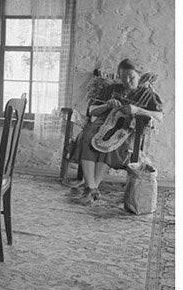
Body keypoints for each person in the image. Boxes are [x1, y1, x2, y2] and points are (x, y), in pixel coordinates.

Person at [70, 58, 163, 206]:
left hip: (128, 129)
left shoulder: (148, 94)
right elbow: (92, 110)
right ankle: (91, 189)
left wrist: (137, 109)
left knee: (113, 143)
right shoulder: (111, 89)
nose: (127, 80)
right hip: (104, 123)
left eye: (131, 77)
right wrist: (107, 105)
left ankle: (92, 189)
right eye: (123, 77)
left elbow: (159, 116)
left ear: (139, 75)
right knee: (87, 136)